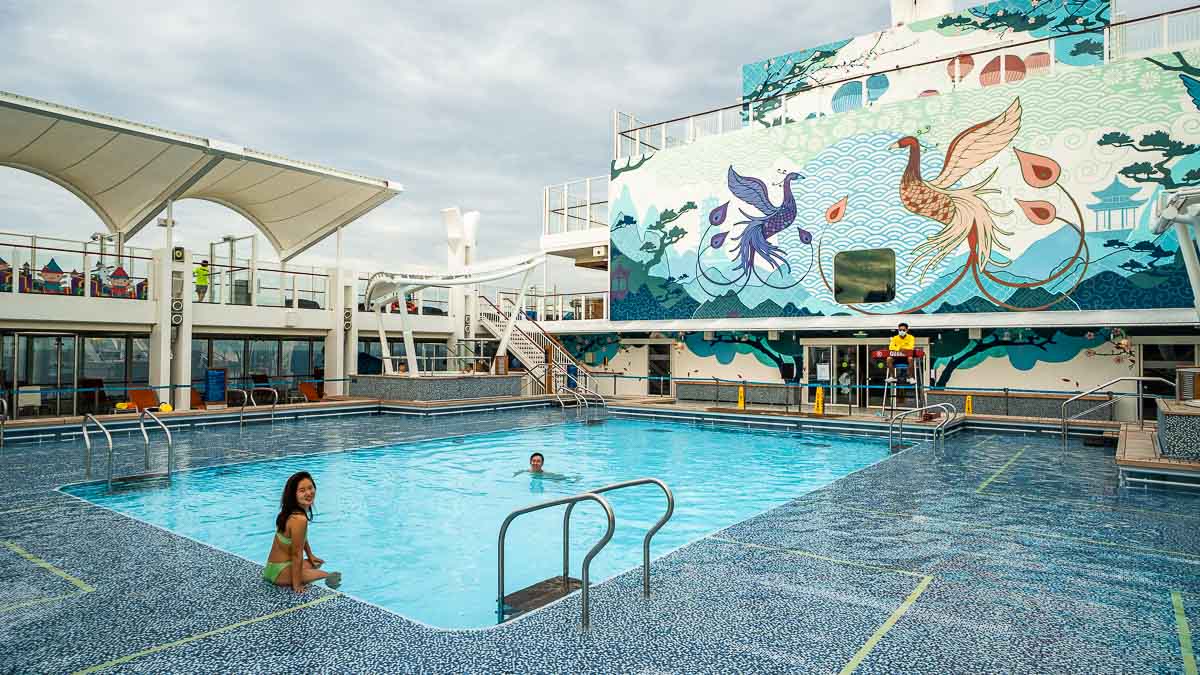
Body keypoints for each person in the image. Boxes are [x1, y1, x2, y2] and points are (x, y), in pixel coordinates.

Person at [263, 471, 341, 592]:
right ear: (293, 495)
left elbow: (300, 538)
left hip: (272, 568)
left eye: (310, 488)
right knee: (329, 575)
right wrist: (297, 584)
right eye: (302, 490)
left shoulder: (288, 512)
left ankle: (306, 570)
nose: (308, 493)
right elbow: (296, 554)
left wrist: (310, 555)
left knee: (315, 563)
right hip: (280, 573)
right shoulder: (299, 519)